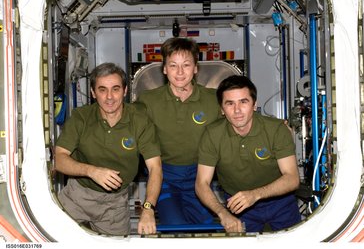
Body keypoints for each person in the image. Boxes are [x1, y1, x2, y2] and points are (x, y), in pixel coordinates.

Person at [55, 62, 162, 236]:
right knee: (51, 239)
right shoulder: (81, 117)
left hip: (115, 205)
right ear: (93, 93)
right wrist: (92, 171)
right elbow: (59, 159)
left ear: (125, 91)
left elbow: (155, 167)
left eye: (116, 89)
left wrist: (148, 208)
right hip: (76, 196)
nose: (109, 97)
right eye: (102, 89)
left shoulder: (140, 121)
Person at [195, 75, 301, 233]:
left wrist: (255, 195)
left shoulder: (276, 129)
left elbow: (292, 178)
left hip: (280, 202)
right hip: (238, 206)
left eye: (243, 102)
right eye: (230, 104)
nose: (237, 110)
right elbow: (201, 184)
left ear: (254, 104)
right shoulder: (212, 135)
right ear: (222, 109)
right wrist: (223, 214)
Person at [136, 37, 222, 225]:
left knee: (208, 231)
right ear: (165, 69)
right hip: (165, 178)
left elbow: (239, 122)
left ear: (196, 68)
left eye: (186, 65)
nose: (180, 72)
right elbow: (127, 126)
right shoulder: (148, 101)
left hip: (200, 178)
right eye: (173, 65)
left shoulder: (214, 100)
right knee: (175, 227)